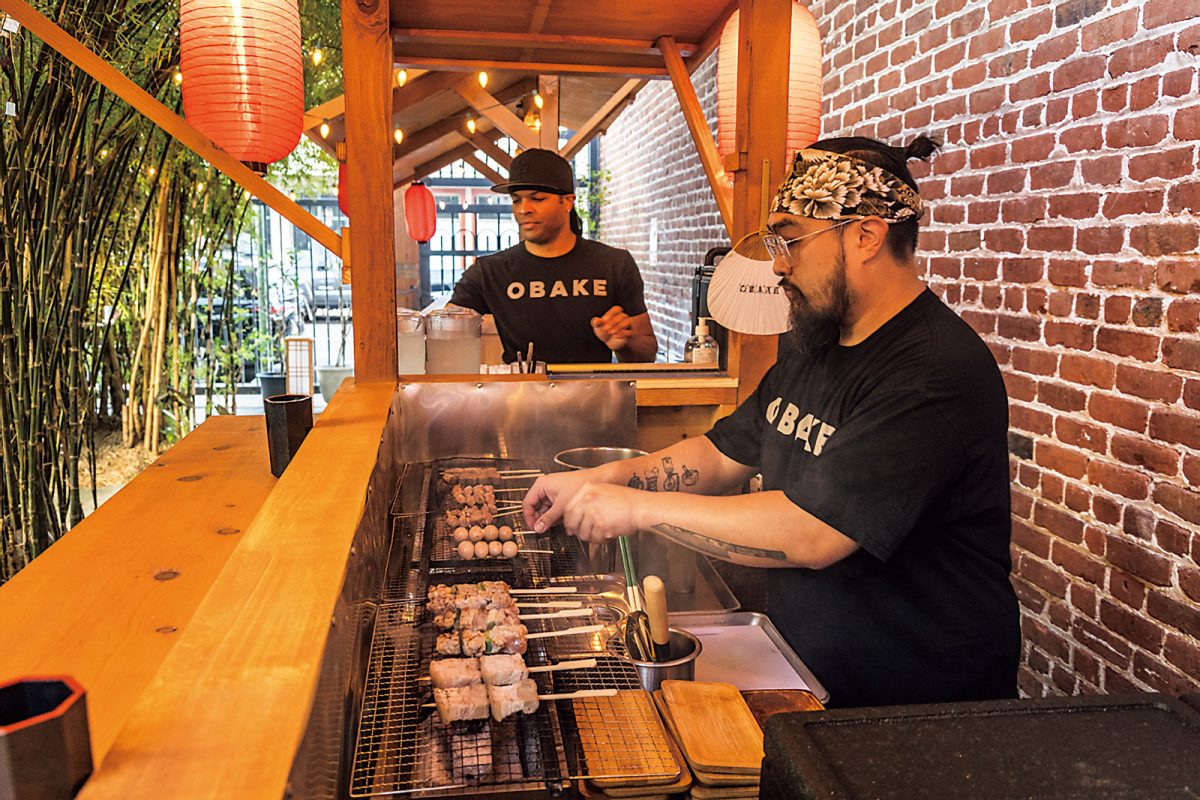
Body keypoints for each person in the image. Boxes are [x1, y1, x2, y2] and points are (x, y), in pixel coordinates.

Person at [523, 135, 1020, 708]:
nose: (779, 265)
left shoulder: (933, 370)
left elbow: (813, 532)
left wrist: (637, 508)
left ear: (865, 235)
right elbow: (720, 453)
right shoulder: (816, 342)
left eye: (790, 239)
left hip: (917, 703)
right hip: (809, 668)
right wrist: (602, 480)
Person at [449, 148, 657, 364]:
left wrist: (624, 341)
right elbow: (445, 326)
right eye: (516, 200)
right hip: (520, 395)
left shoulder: (614, 264)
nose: (524, 209)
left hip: (594, 394)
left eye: (537, 199)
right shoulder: (489, 272)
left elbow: (647, 353)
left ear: (567, 202)